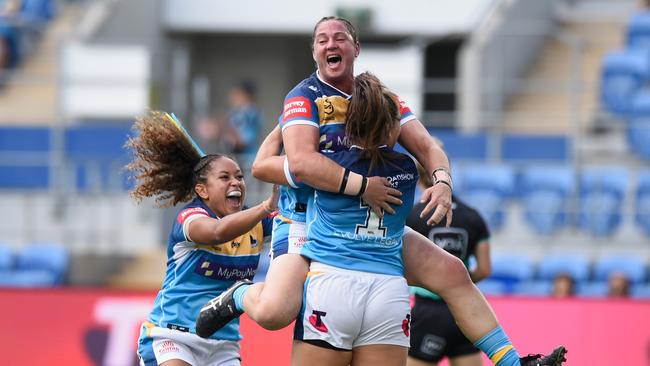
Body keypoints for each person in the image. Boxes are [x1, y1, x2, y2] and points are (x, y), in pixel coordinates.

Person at [197, 16, 567, 366]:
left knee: (453, 271)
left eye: (339, 37)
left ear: (356, 47)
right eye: (322, 40)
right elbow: (279, 166)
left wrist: (442, 181)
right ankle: (240, 295)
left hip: (360, 232)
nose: (331, 44)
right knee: (277, 311)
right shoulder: (303, 97)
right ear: (314, 52)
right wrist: (363, 187)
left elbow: (428, 147)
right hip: (302, 221)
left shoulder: (377, 99)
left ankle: (514, 361)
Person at [126, 110, 278, 366]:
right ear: (202, 190)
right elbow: (217, 232)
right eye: (225, 177)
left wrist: (284, 128)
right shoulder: (190, 218)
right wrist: (265, 207)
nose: (236, 182)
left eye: (240, 176)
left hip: (224, 346)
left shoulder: (256, 222)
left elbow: (298, 224)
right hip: (173, 336)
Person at [289, 71, 418, 365]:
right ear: (391, 125)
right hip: (389, 291)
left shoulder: (327, 165)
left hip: (332, 283)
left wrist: (284, 128)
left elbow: (268, 167)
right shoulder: (407, 170)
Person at [406, 162, 491, 366]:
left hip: (428, 312)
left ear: (418, 178)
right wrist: (456, 283)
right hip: (465, 308)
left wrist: (433, 282)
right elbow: (484, 269)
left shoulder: (412, 216)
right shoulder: (473, 216)